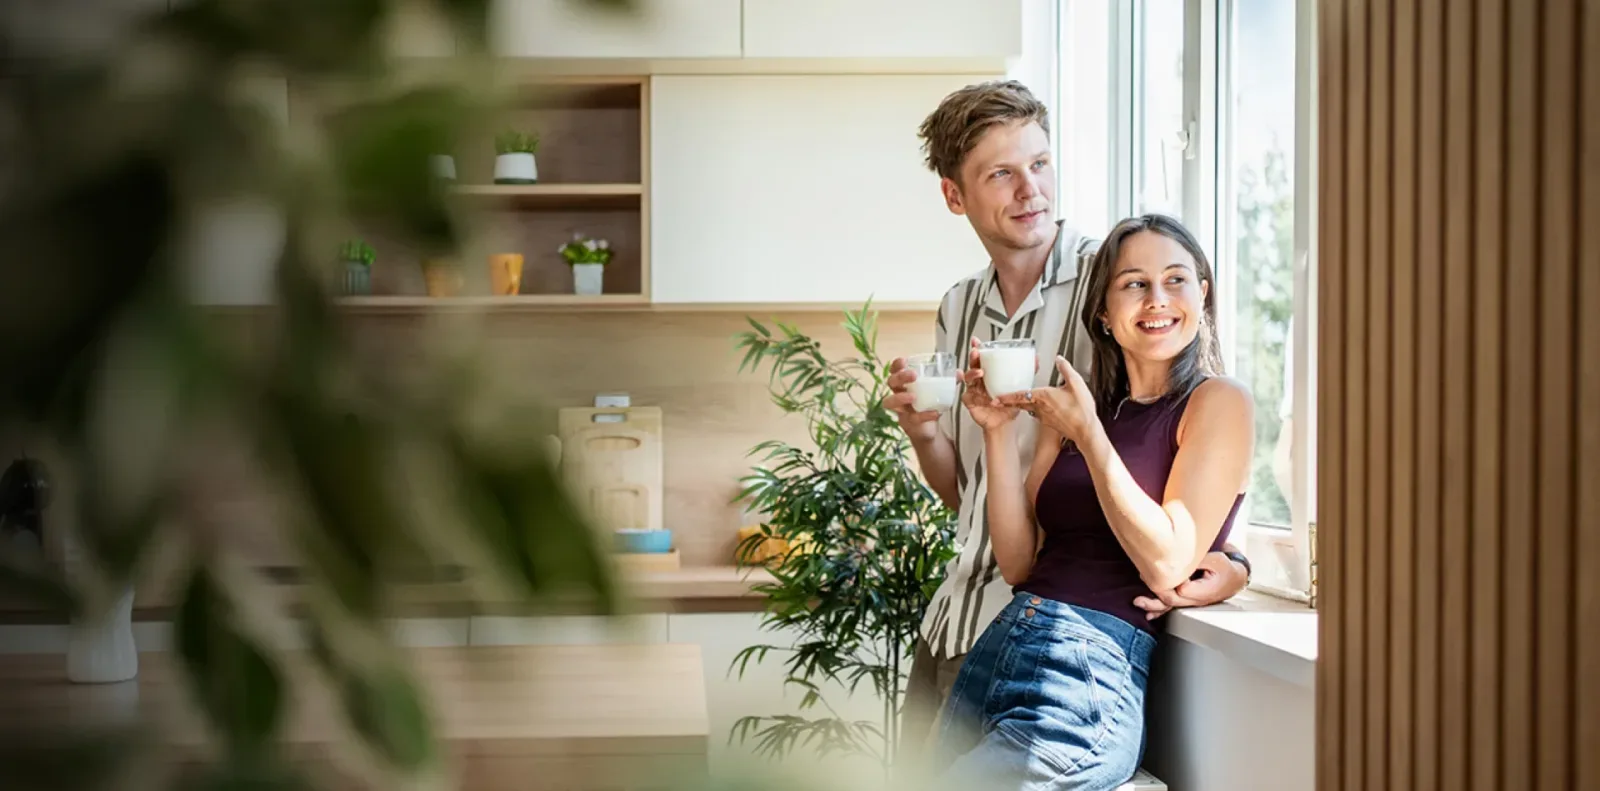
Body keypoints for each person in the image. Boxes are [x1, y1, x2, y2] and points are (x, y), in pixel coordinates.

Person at [882, 80, 1253, 764]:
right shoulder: (958, 305)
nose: (1031, 190)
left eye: (1040, 164)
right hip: (957, 617)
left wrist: (1230, 554)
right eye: (1001, 173)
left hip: (1056, 628)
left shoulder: (1112, 286)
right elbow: (969, 496)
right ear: (954, 195)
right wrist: (924, 431)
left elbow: (1165, 439)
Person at [933, 213, 1255, 790]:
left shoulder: (1218, 401)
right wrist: (997, 430)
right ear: (1104, 313)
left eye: (1176, 280)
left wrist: (1090, 438)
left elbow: (1168, 563)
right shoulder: (1080, 407)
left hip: (1086, 666)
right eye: (1134, 283)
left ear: (1202, 295)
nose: (1157, 299)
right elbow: (1020, 564)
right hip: (1006, 639)